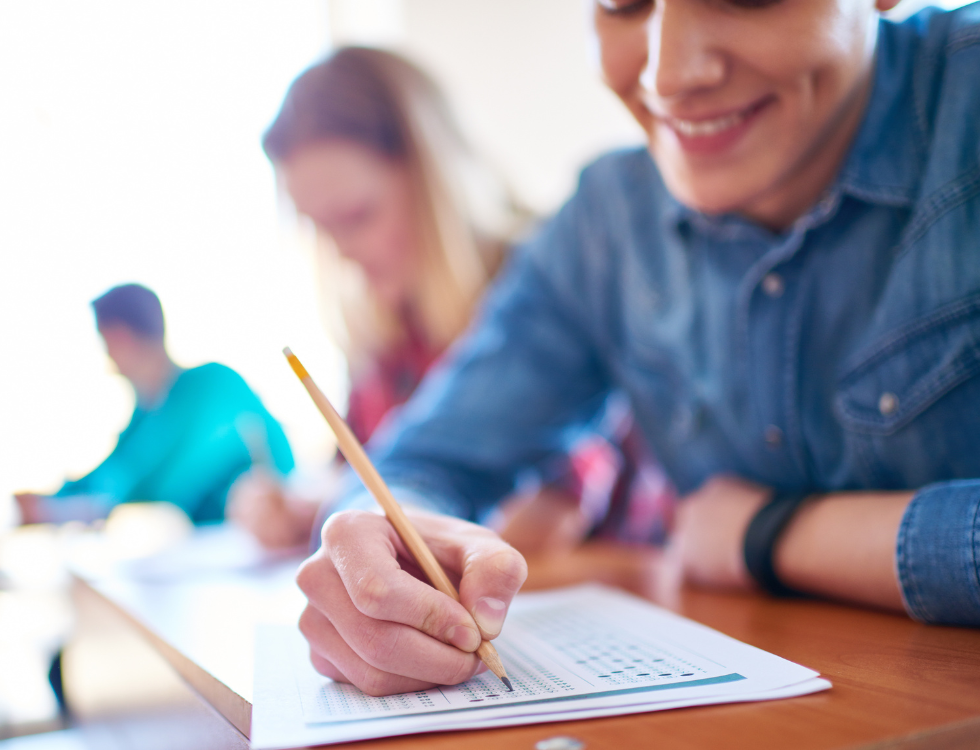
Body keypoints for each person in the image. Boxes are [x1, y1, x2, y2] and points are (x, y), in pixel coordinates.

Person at [292, 0, 980, 697]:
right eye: (621, 3)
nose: (670, 73)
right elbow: (421, 462)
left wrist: (770, 535)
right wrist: (375, 547)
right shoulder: (607, 222)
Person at [228, 46, 676, 553]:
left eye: (356, 217)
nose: (344, 252)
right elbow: (365, 479)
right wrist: (310, 509)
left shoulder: (548, 289)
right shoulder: (387, 335)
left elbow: (547, 519)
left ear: (432, 177)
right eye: (322, 229)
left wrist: (385, 528)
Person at [14, 283, 294, 526]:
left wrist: (54, 510)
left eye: (106, 344)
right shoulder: (148, 411)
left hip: (278, 546)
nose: (109, 361)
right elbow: (113, 467)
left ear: (119, 337)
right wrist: (51, 499)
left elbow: (150, 488)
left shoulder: (211, 385)